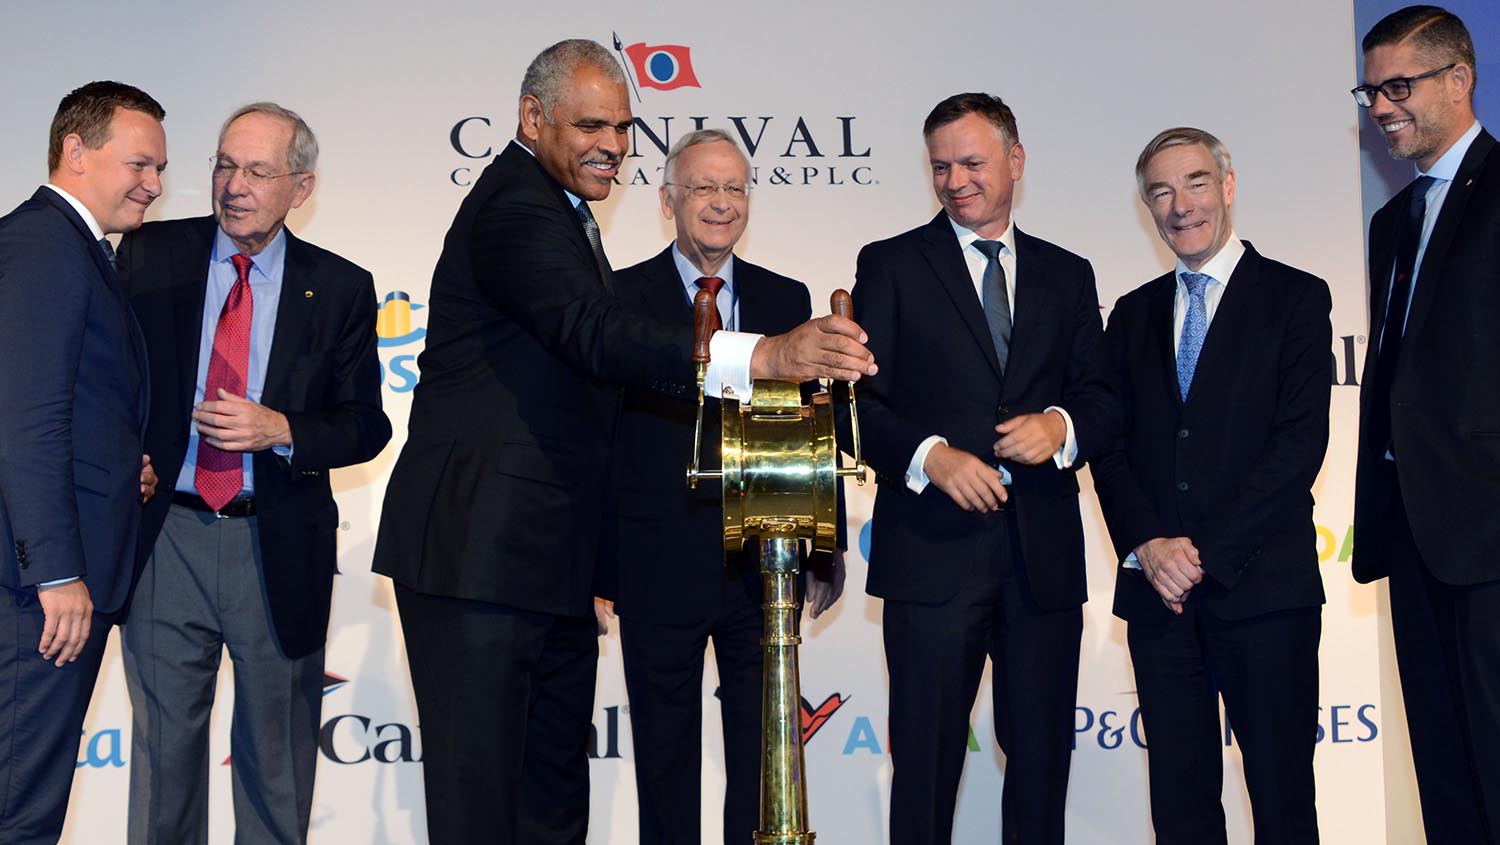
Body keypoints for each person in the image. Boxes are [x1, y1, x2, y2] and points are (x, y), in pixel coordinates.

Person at [371, 39, 875, 844]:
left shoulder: (563, 212)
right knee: (483, 811)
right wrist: (763, 355)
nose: (611, 145)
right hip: (479, 556)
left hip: (549, 564)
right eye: (591, 126)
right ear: (533, 118)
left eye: (623, 128)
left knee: (551, 806)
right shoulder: (514, 206)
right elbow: (594, 333)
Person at [116, 102, 390, 843]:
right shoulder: (147, 255)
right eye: (225, 165)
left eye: (258, 172)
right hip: (166, 537)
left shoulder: (339, 286)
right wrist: (119, 457)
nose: (234, 186)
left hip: (275, 543)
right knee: (164, 762)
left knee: (276, 766)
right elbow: (99, 379)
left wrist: (282, 430)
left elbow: (367, 424)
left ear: (301, 187)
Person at [850, 92, 1116, 844]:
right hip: (930, 560)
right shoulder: (891, 264)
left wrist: (1059, 427)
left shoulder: (1068, 274)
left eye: (971, 163)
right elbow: (855, 405)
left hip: (1042, 564)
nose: (955, 181)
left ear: (1015, 160)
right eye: (940, 167)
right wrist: (931, 457)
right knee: (925, 772)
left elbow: (1102, 399)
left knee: (1040, 773)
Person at [595, 128, 846, 844]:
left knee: (764, 766)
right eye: (703, 187)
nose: (721, 202)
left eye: (734, 187)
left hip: (762, 564)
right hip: (654, 562)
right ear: (667, 200)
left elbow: (813, 427)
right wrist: (597, 565)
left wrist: (823, 546)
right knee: (664, 767)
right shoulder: (618, 296)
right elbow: (600, 440)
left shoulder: (785, 296)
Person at [1091, 127, 1331, 844]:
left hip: (1265, 591)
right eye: (1161, 192)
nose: (1180, 205)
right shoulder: (1130, 313)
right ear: (1147, 207)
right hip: (1159, 598)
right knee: (1181, 808)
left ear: (1227, 186)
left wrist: (1203, 554)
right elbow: (1110, 447)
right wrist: (1149, 544)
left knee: (1283, 804)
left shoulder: (1295, 296)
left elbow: (1298, 446)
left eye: (1195, 182)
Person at [0, 80, 164, 844]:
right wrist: (58, 571)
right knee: (18, 808)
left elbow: (72, 405)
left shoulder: (78, 250)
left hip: (52, 582)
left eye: (159, 169)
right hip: (39, 593)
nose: (153, 184)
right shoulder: (45, 245)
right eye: (139, 163)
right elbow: (26, 420)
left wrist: (122, 464)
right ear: (75, 150)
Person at [1352, 6, 1500, 841]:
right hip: (1414, 533)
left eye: (1399, 86)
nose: (1381, 107)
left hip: (1491, 536)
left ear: (1459, 79)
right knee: (1443, 772)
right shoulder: (1393, 221)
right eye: (1371, 91)